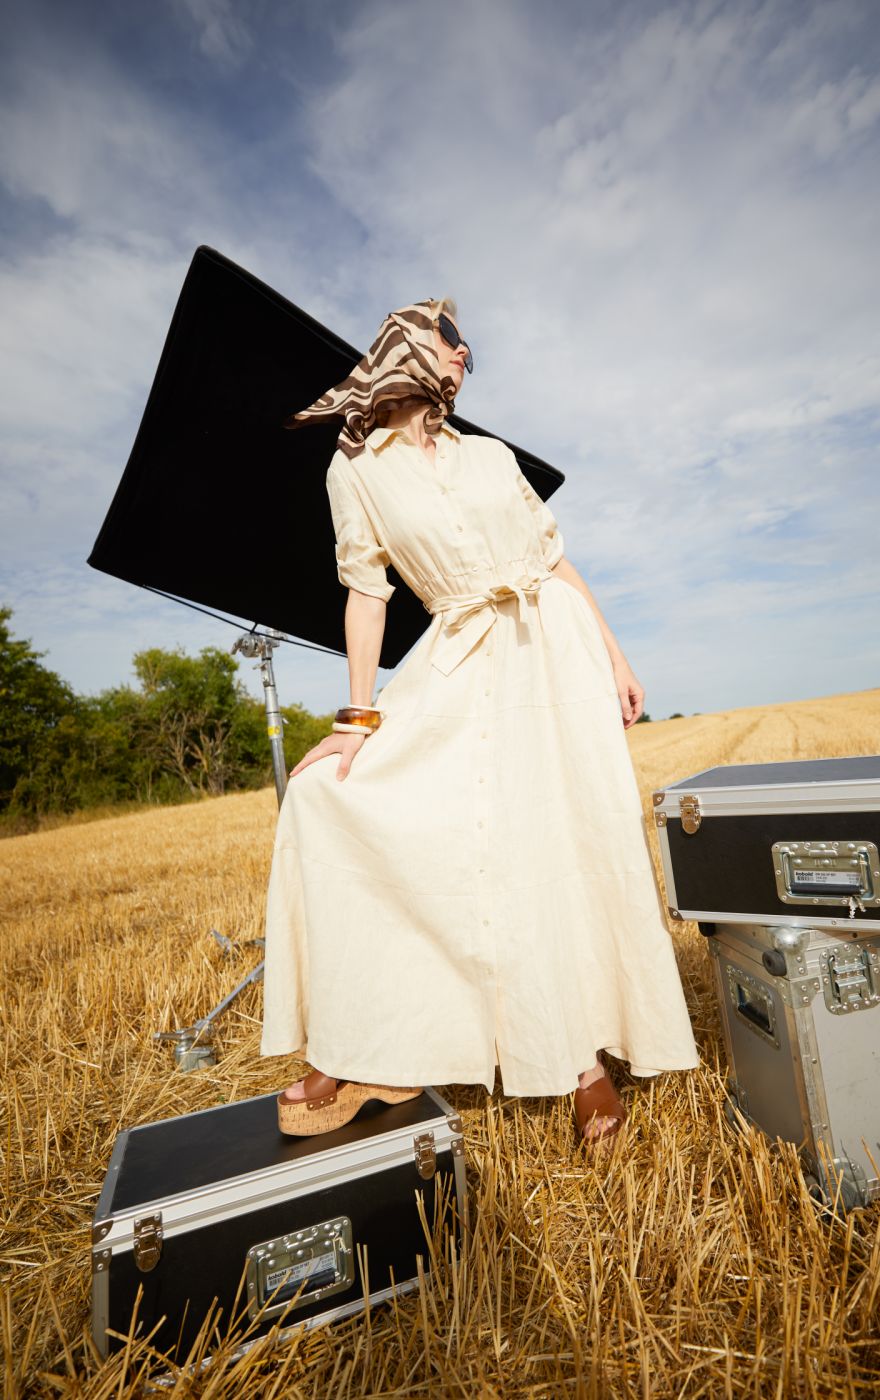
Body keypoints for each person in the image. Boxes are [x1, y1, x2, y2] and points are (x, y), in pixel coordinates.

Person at [260, 298, 698, 1147]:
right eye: (452, 338)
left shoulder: (491, 456)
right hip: (457, 652)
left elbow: (553, 560)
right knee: (326, 801)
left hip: (551, 648)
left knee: (555, 845)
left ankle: (585, 1066)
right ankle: (370, 1044)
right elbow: (366, 592)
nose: (465, 355)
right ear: (403, 342)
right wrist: (356, 720)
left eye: (469, 348)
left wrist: (615, 655)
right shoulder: (354, 467)